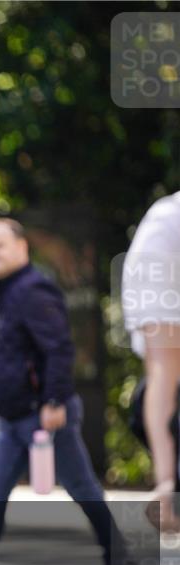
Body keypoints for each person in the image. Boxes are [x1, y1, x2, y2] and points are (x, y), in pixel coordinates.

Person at [0, 217, 137, 565]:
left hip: (44, 415)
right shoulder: (6, 293)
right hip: (13, 419)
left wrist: (55, 400)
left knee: (81, 487)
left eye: (0, 245)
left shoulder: (33, 290)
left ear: (22, 248)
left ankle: (119, 561)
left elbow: (59, 348)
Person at [122, 190, 180, 532]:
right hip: (162, 254)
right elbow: (164, 369)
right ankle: (168, 482)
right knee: (166, 369)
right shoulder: (166, 227)